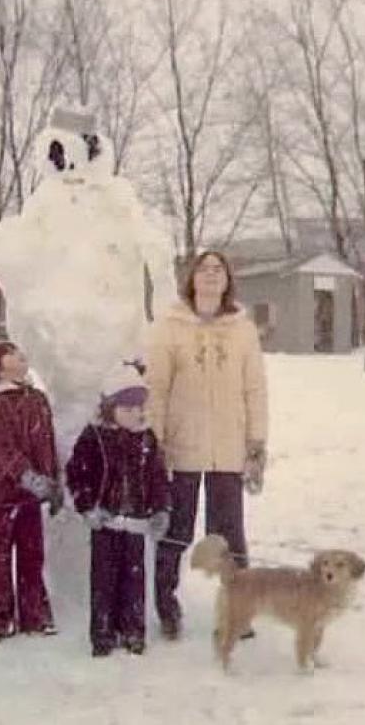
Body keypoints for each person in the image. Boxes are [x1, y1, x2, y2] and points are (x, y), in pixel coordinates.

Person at [145, 250, 268, 640]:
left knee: (229, 534)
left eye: (219, 270)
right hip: (183, 446)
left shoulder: (243, 329)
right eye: (204, 269)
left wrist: (256, 442)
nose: (211, 275)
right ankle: (167, 607)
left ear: (228, 279)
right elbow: (157, 388)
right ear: (192, 278)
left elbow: (255, 388)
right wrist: (156, 440)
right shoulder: (170, 325)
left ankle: (238, 611)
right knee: (176, 529)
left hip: (229, 448)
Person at [66, 362, 170, 657]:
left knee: (134, 578)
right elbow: (77, 474)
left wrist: (160, 509)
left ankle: (134, 632)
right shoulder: (94, 437)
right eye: (126, 408)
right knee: (104, 580)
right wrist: (88, 507)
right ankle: (102, 634)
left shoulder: (147, 438)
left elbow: (158, 477)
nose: (134, 414)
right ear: (110, 408)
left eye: (138, 408)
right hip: (106, 522)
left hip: (135, 522)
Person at [0, 342, 60, 645]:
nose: (21, 355)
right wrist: (25, 475)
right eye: (11, 353)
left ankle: (34, 613)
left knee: (32, 554)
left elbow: (48, 443)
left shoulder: (37, 398)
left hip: (32, 494)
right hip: (3, 494)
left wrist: (52, 480)